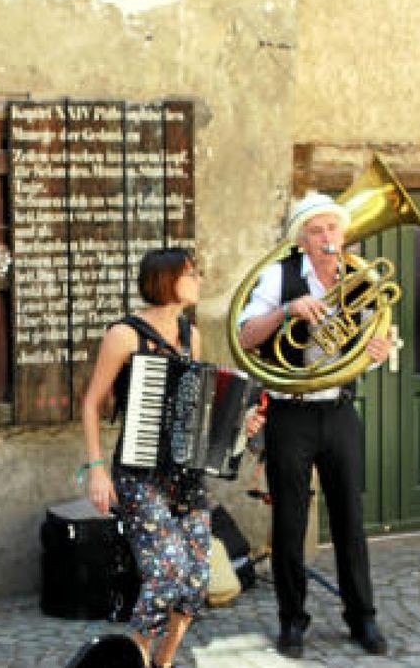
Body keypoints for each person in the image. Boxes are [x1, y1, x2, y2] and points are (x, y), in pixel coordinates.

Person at [80, 247, 265, 668]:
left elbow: (199, 406)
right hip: (139, 474)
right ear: (166, 280)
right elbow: (91, 403)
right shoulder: (125, 335)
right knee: (166, 574)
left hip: (185, 478)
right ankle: (133, 659)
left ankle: (163, 662)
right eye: (191, 273)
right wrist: (95, 470)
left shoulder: (191, 334)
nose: (199, 279)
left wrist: (239, 427)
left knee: (196, 579)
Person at [236, 192, 391, 660]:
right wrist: (287, 311)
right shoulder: (279, 276)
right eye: (317, 231)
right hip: (291, 411)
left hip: (339, 409)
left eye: (333, 230)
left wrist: (379, 350)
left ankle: (362, 616)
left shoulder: (359, 278)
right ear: (302, 240)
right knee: (289, 523)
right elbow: (245, 334)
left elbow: (377, 334)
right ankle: (292, 622)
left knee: (350, 519)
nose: (327, 239)